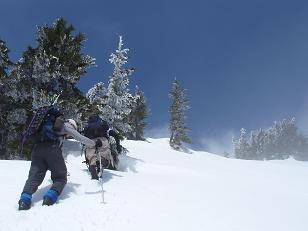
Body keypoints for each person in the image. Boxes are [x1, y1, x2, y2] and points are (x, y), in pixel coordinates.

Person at [18, 107, 99, 211]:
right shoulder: (65, 125)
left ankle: (24, 200)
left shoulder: (47, 125)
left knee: (34, 176)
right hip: (51, 149)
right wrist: (94, 143)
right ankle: (49, 198)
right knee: (60, 177)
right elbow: (79, 137)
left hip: (37, 149)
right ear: (72, 125)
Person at [83, 115, 122, 180]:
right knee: (105, 157)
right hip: (103, 141)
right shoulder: (104, 126)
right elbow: (115, 135)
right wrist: (118, 146)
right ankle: (101, 163)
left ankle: (93, 171)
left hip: (90, 141)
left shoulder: (88, 127)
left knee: (91, 157)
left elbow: (83, 137)